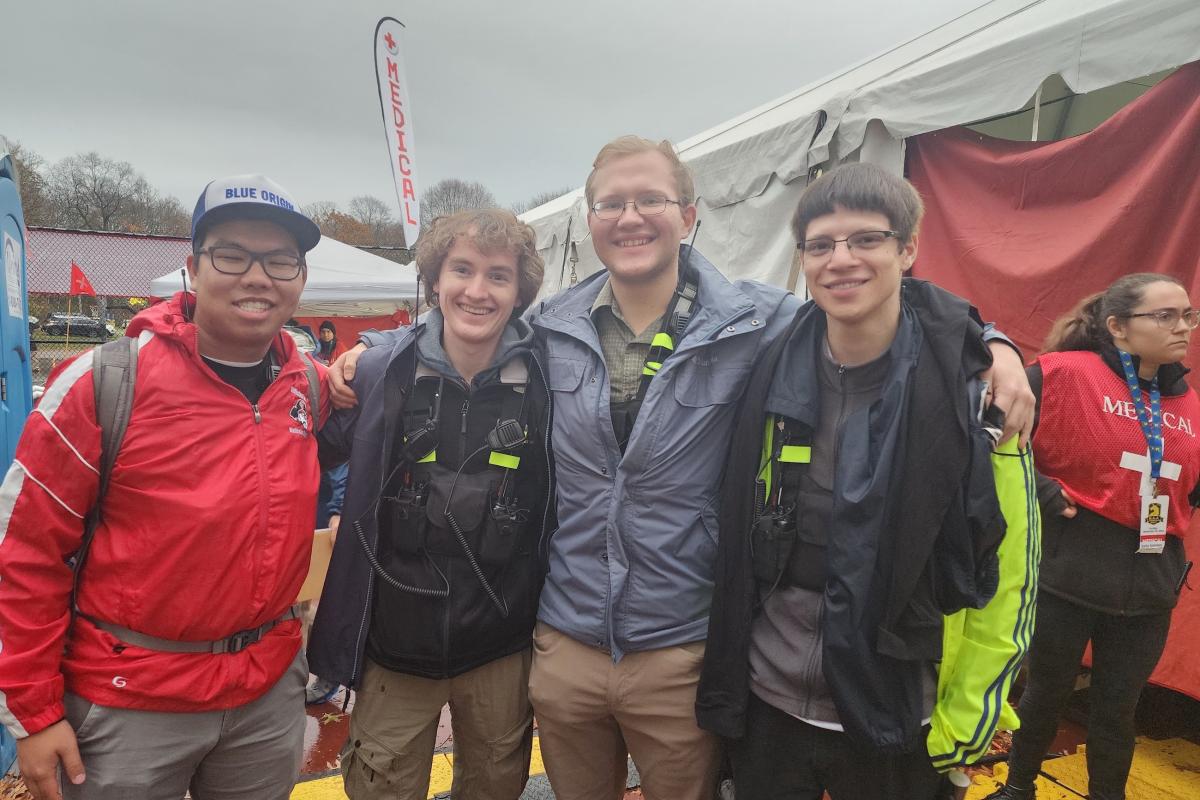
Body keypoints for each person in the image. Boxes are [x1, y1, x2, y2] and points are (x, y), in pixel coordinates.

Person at [330, 137, 1036, 800]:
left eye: (650, 200)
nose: (630, 217)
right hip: (564, 640)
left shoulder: (760, 322)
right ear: (592, 219)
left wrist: (989, 341)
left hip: (682, 647)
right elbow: (458, 325)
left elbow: (866, 296)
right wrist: (364, 355)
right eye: (611, 203)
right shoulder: (552, 329)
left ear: (688, 215)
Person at [695, 163, 1039, 799]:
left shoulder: (976, 395)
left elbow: (1010, 572)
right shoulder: (770, 363)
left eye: (866, 240)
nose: (840, 260)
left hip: (903, 708)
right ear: (801, 259)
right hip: (770, 698)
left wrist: (966, 722)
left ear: (908, 249)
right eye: (820, 245)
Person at [0, 174, 327, 800]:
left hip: (264, 699)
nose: (257, 276)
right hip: (129, 705)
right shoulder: (104, 383)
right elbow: (24, 554)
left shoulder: (308, 387)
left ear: (300, 280)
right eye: (232, 255)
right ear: (192, 268)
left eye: (281, 260)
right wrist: (34, 715)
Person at [307, 208, 553, 800]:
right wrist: (326, 368)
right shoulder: (377, 371)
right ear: (433, 280)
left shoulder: (555, 376)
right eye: (461, 269)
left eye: (498, 275)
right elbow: (299, 445)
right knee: (380, 786)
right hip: (394, 647)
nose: (476, 290)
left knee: (496, 784)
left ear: (520, 290)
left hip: (502, 643)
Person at [985, 274, 1200, 800]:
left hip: (1150, 584)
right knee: (1044, 693)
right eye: (1165, 316)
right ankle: (1018, 788)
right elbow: (990, 439)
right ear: (1118, 327)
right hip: (1068, 573)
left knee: (1117, 710)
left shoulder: (1190, 404)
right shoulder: (1061, 376)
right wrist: (1037, 488)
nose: (1183, 329)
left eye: (1189, 315)